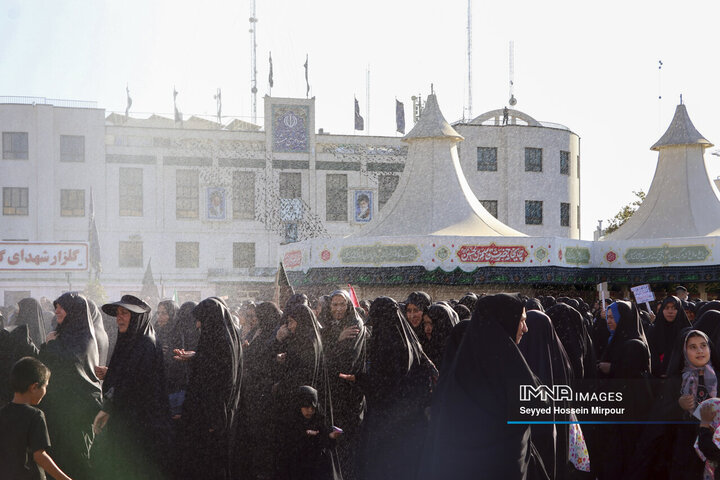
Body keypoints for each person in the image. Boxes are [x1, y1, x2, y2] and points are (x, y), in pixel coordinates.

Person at [418, 293, 545, 480]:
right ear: (505, 323)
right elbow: (539, 405)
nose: (525, 329)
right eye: (521, 321)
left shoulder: (464, 368)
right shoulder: (507, 367)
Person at [341, 297, 437, 480]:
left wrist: (358, 379)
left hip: (388, 424)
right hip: (409, 422)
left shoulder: (388, 344)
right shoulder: (410, 342)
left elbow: (385, 384)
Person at [92, 295, 170, 480]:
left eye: (125, 313)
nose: (119, 318)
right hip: (129, 421)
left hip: (142, 426)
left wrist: (108, 408)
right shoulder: (131, 341)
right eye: (118, 313)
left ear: (136, 318)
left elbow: (134, 383)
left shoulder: (145, 344)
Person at [175, 297, 242, 480]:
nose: (197, 325)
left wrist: (212, 420)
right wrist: (195, 357)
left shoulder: (219, 342)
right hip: (218, 417)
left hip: (211, 420)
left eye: (200, 320)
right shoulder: (224, 338)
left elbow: (215, 379)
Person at [38, 292, 102, 480]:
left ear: (74, 311)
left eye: (61, 307)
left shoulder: (83, 339)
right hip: (60, 412)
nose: (56, 311)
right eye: (56, 306)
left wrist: (50, 344)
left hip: (77, 413)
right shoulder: (64, 336)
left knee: (74, 462)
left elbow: (68, 363)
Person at [0, 357, 72, 480]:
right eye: (45, 386)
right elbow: (39, 455)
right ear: (34, 387)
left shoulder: (2, 413)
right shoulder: (35, 415)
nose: (45, 391)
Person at [277, 385, 343, 480]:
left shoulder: (318, 418)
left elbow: (325, 442)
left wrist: (330, 436)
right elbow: (287, 445)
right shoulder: (290, 420)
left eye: (313, 407)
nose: (310, 411)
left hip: (316, 468)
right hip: (296, 468)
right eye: (306, 407)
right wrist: (304, 435)